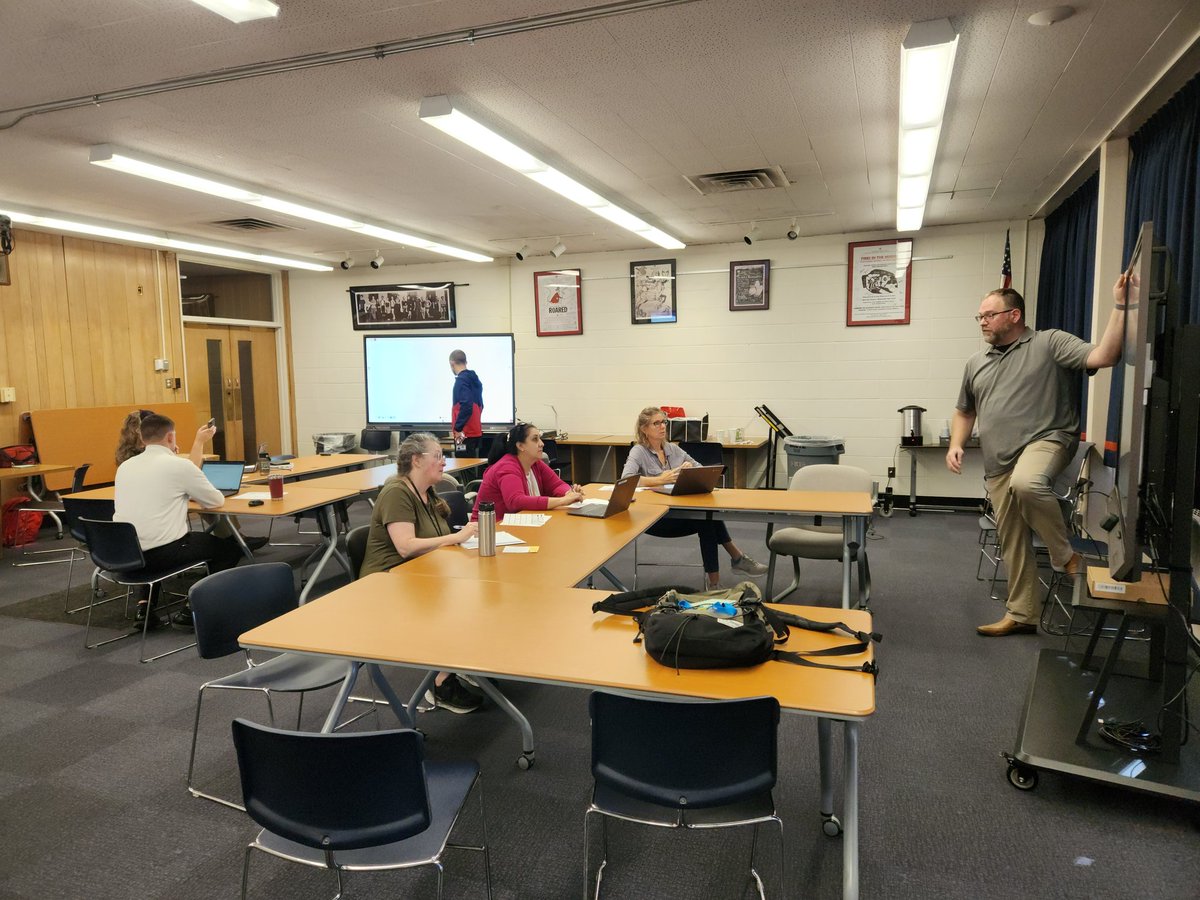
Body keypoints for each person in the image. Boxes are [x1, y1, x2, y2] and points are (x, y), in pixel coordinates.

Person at [947, 277, 1127, 636]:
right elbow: (965, 411)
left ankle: (1064, 557)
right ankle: (1023, 613)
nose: (982, 321)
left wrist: (1120, 306)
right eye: (979, 316)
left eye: (989, 315)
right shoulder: (975, 362)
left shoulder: (1049, 342)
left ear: (1014, 315)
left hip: (1049, 439)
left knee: (1027, 483)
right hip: (998, 460)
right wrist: (957, 443)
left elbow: (1104, 355)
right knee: (1012, 538)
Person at [359, 433, 482, 713]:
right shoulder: (396, 492)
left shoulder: (427, 492)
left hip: (422, 574)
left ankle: (459, 663)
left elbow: (435, 542)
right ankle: (440, 683)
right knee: (460, 603)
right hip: (388, 582)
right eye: (437, 456)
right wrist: (456, 538)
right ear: (416, 460)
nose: (443, 462)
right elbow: (405, 547)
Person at [113, 413, 243, 628]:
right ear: (171, 437)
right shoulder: (178, 466)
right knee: (230, 548)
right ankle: (192, 608)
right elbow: (215, 500)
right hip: (161, 555)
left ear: (143, 439)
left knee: (148, 534)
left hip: (124, 555)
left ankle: (144, 610)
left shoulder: (125, 467)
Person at [621, 407, 768, 588]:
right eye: (656, 423)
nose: (662, 427)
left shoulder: (673, 449)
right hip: (655, 519)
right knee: (706, 518)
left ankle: (718, 578)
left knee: (707, 517)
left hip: (680, 513)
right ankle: (733, 562)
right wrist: (658, 480)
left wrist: (691, 469)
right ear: (644, 429)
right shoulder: (639, 451)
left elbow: (702, 469)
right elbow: (626, 480)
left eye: (664, 422)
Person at [472, 423, 583, 519]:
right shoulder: (506, 467)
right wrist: (563, 500)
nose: (542, 444)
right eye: (535, 439)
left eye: (540, 438)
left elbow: (556, 485)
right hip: (489, 530)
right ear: (520, 446)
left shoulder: (535, 463)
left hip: (519, 525)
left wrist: (569, 493)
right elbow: (516, 501)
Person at [449, 349, 484, 457]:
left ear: (452, 363)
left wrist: (458, 428)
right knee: (471, 467)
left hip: (464, 433)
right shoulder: (474, 380)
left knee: (464, 467)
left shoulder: (461, 381)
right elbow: (480, 405)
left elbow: (467, 405)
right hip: (475, 431)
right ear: (465, 362)